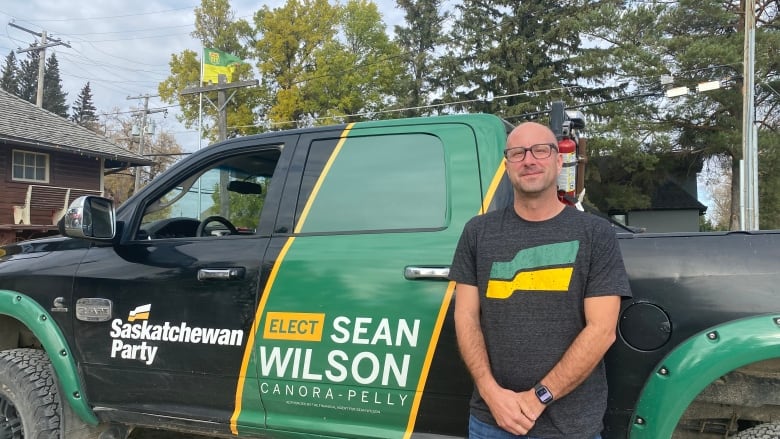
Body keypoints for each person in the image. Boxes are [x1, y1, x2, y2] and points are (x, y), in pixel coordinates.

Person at [449, 121, 632, 439]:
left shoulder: (595, 234)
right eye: (517, 153)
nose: (529, 160)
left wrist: (538, 398)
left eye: (540, 150)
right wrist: (491, 394)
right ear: (507, 166)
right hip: (491, 421)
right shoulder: (478, 233)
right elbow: (465, 317)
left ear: (559, 161)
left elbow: (602, 331)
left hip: (569, 428)